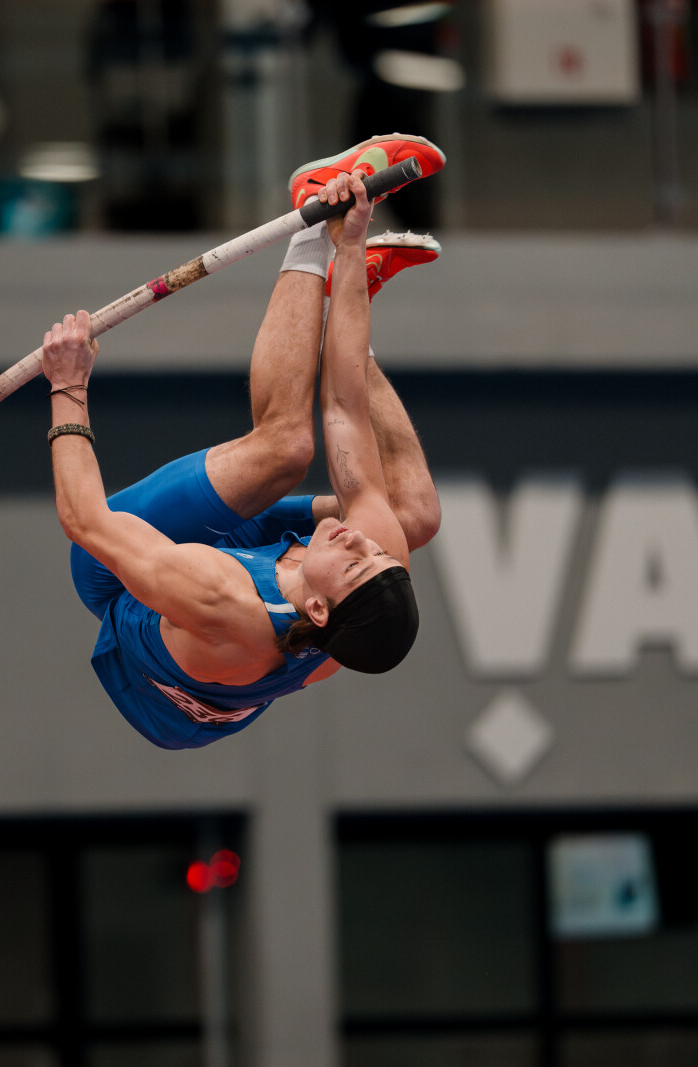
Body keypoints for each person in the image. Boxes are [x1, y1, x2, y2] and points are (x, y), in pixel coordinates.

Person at [43, 135, 445, 749]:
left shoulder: (220, 600)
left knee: (285, 451)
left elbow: (84, 520)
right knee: (412, 515)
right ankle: (348, 284)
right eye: (374, 553)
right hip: (255, 588)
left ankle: (311, 206)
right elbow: (344, 407)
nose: (359, 540)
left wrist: (68, 385)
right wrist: (350, 240)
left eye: (356, 560)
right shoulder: (365, 587)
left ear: (317, 611)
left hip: (117, 573)